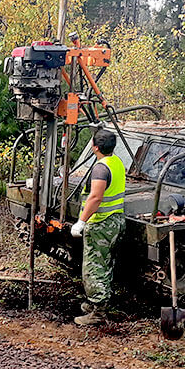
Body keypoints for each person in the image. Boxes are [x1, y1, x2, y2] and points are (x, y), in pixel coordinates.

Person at [69, 129, 126, 325]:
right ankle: (97, 303)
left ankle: (98, 312)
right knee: (106, 264)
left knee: (94, 267)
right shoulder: (117, 162)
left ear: (95, 147)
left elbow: (95, 197)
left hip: (101, 223)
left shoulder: (101, 169)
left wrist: (81, 221)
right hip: (115, 220)